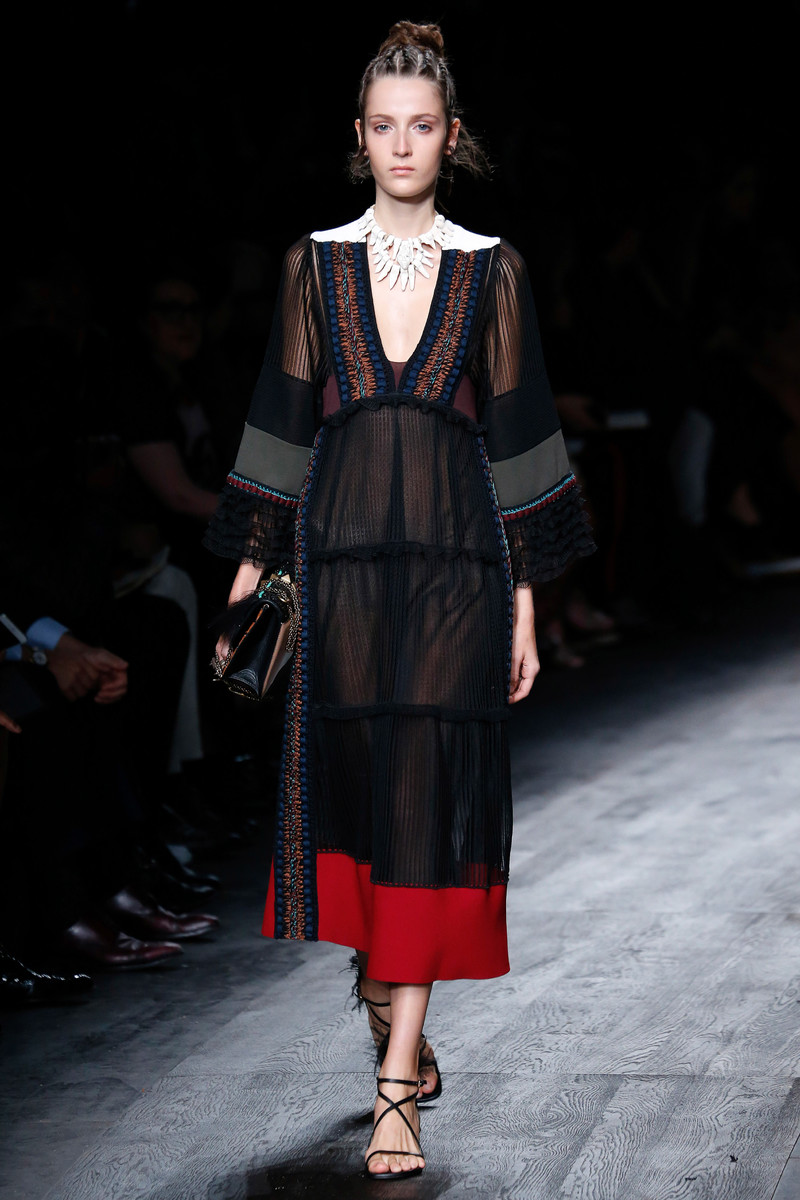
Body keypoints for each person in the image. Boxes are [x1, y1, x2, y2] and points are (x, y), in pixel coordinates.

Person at [204, 21, 594, 1179]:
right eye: (384, 126)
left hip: (455, 572)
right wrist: (243, 577)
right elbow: (281, 417)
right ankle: (387, 1005)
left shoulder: (491, 268)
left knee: (421, 797)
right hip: (336, 566)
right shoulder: (314, 264)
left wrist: (524, 607)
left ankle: (393, 1095)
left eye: (421, 125)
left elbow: (519, 438)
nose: (402, 144)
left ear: (451, 136)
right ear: (360, 136)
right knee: (362, 796)